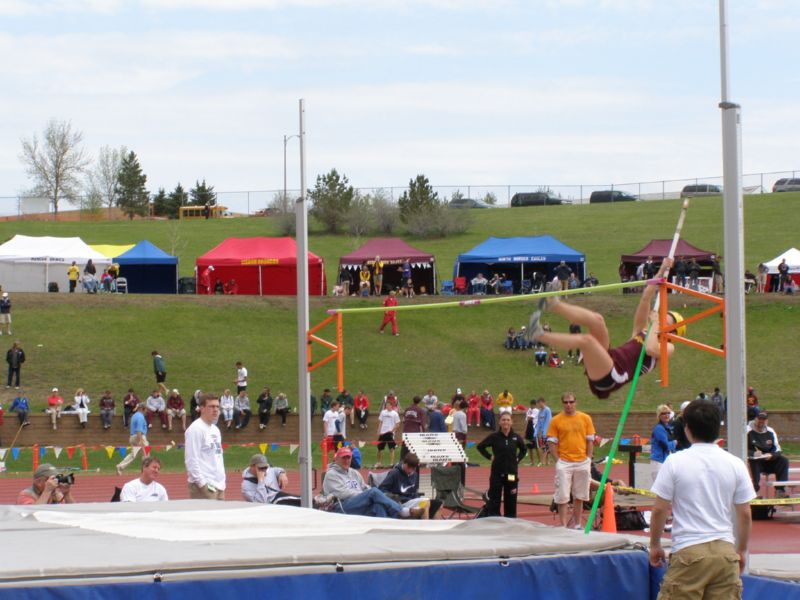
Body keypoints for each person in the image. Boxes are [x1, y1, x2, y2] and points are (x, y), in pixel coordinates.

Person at [529, 258, 681, 400]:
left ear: (672, 331)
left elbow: (650, 349)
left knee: (587, 341)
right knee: (597, 321)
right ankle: (554, 304)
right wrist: (662, 269)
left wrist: (655, 324)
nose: (660, 318)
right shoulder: (644, 330)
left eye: (665, 320)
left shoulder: (668, 346)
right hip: (609, 358)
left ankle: (537, 334)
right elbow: (645, 299)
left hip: (614, 376)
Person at [649, 401, 755, 599]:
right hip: (724, 550)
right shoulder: (735, 464)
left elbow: (659, 510)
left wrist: (655, 545)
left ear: (687, 428)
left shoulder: (675, 462)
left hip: (689, 550)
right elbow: (745, 514)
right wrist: (741, 550)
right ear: (717, 428)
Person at [322, 446, 424, 518]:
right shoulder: (331, 474)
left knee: (379, 506)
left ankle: (384, 534)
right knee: (373, 492)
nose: (347, 460)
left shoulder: (354, 473)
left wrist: (367, 493)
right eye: (343, 457)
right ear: (336, 459)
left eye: (349, 457)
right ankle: (402, 511)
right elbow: (341, 494)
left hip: (358, 504)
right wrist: (365, 495)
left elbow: (364, 486)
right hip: (340, 506)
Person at [547, 392, 595, 528]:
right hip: (564, 462)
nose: (569, 405)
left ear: (575, 402)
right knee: (562, 495)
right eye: (566, 402)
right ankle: (563, 525)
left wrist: (588, 458)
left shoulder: (585, 418)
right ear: (562, 403)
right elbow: (551, 442)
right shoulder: (556, 420)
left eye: (571, 402)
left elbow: (590, 440)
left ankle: (577, 524)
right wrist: (557, 460)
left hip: (582, 461)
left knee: (580, 495)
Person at [477, 413, 527, 517]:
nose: (506, 422)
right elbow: (480, 447)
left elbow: (524, 449)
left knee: (511, 501)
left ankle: (510, 521)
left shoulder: (516, 437)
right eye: (503, 420)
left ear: (511, 422)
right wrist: (490, 456)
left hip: (511, 474)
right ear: (499, 422)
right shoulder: (494, 437)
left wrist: (518, 458)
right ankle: (495, 522)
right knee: (494, 501)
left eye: (508, 420)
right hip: (497, 474)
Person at [185, 393, 225, 500]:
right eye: (211, 406)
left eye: (217, 406)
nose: (215, 409)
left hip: (219, 485)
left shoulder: (215, 430)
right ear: (202, 408)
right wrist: (202, 484)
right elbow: (191, 460)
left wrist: (223, 483)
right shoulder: (196, 429)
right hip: (204, 486)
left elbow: (218, 457)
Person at [379, 452, 440, 518]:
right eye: (409, 467)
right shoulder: (394, 473)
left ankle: (437, 527)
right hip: (400, 502)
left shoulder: (414, 475)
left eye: (413, 469)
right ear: (404, 463)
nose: (410, 471)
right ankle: (425, 527)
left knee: (438, 504)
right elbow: (381, 489)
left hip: (412, 501)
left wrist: (416, 496)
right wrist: (394, 497)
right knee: (426, 503)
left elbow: (414, 491)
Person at [747, 412, 790, 497]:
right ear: (755, 419)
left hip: (768, 460)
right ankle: (754, 492)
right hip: (755, 461)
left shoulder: (770, 431)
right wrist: (753, 453)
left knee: (783, 460)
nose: (761, 421)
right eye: (759, 419)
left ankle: (780, 490)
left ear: (767, 421)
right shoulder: (747, 431)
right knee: (754, 461)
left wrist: (771, 455)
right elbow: (742, 448)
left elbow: (777, 449)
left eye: (764, 419)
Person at [116, 403, 149, 474]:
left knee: (133, 455)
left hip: (132, 436)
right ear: (142, 409)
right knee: (146, 453)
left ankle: (120, 466)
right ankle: (145, 470)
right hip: (139, 436)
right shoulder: (140, 417)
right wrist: (140, 440)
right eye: (146, 409)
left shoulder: (134, 415)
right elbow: (139, 429)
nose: (146, 411)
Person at [650, 404, 676, 483]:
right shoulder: (659, 429)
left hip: (665, 461)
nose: (666, 415)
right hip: (659, 462)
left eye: (668, 413)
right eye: (663, 413)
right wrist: (675, 442)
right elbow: (666, 446)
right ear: (659, 415)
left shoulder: (668, 427)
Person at [375, 400, 400, 467]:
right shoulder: (383, 412)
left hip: (390, 433)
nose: (387, 406)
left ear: (391, 406)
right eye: (386, 405)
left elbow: (398, 424)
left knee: (391, 448)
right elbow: (380, 422)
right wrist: (378, 430)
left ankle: (391, 464)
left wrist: (392, 431)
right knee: (379, 448)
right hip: (382, 433)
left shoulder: (395, 413)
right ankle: (379, 463)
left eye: (388, 405)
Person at [534, 397, 552, 466]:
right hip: (542, 432)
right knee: (544, 447)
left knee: (546, 447)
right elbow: (539, 422)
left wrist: (545, 432)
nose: (539, 405)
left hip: (548, 431)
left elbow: (548, 421)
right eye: (538, 404)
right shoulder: (540, 411)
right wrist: (536, 431)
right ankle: (546, 461)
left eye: (539, 403)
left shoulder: (547, 410)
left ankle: (543, 461)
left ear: (543, 402)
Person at [524, 400, 539, 465]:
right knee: (529, 446)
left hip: (534, 429)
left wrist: (528, 417)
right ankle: (532, 462)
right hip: (528, 428)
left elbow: (530, 418)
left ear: (535, 405)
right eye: (531, 405)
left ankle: (540, 461)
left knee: (536, 446)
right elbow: (527, 419)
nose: (532, 406)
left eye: (533, 405)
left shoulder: (536, 410)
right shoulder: (529, 410)